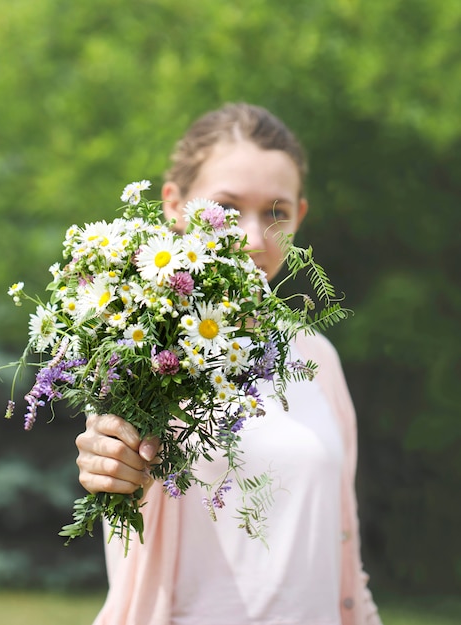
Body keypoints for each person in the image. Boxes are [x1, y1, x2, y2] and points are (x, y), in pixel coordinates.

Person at [75, 103, 382, 625]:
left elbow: (343, 561)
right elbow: (115, 456)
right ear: (173, 204)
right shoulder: (148, 347)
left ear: (299, 217)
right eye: (227, 208)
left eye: (276, 212)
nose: (255, 238)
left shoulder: (316, 357)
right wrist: (110, 460)